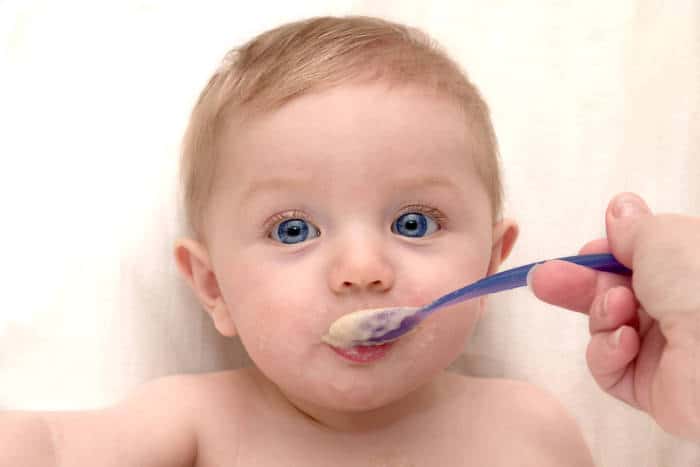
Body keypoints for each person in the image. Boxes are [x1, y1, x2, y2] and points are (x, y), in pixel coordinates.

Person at [0, 15, 697, 467]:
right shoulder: (198, 420)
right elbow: (52, 449)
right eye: (293, 229)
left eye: (413, 223)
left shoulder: (529, 428)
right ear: (213, 287)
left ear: (489, 263)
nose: (362, 270)